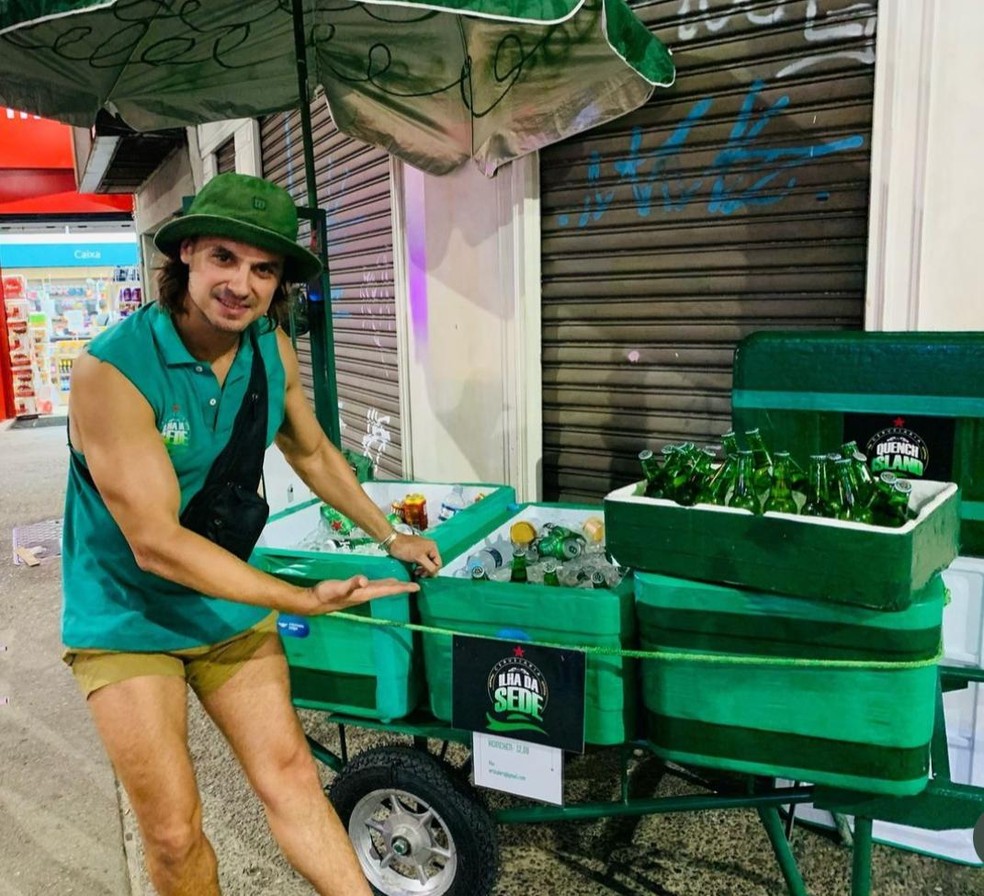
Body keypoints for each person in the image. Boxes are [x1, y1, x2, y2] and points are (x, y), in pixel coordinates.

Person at [61, 172, 442, 896]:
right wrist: (298, 599)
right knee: (173, 832)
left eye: (264, 269)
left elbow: (311, 450)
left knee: (294, 777)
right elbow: (158, 544)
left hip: (225, 601)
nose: (242, 284)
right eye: (224, 259)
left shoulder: (271, 350)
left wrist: (387, 533)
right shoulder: (111, 372)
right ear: (187, 260)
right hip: (124, 614)